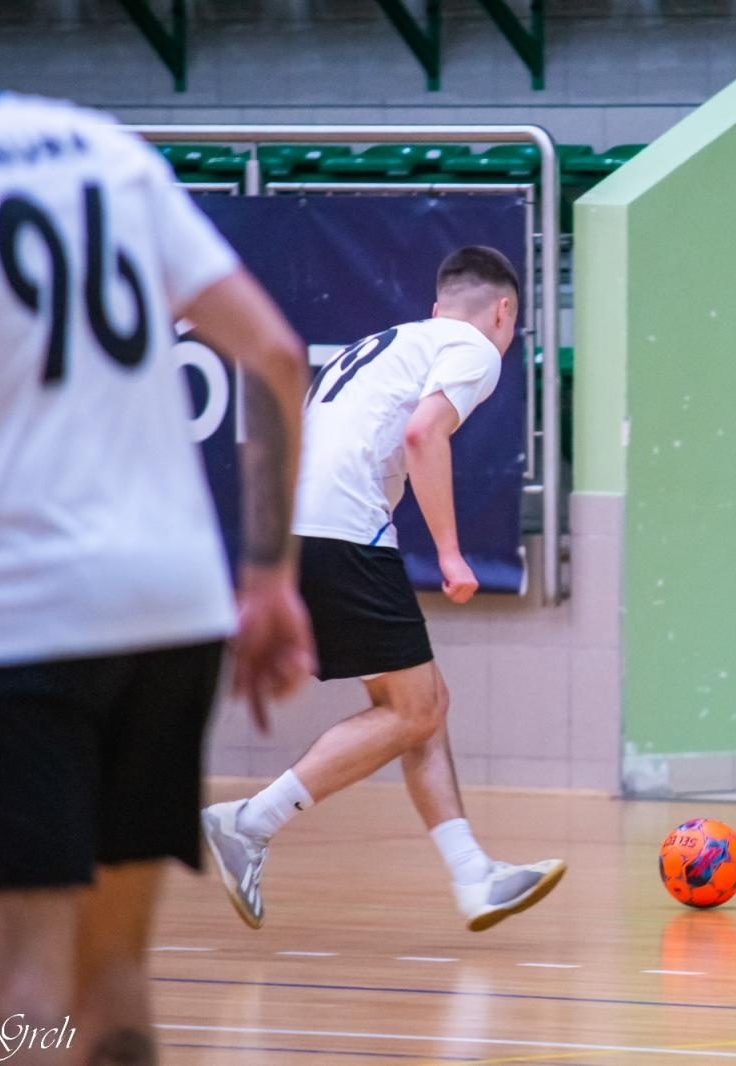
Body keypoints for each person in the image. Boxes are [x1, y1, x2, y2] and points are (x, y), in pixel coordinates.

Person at [0, 1, 316, 1062]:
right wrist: (270, 576)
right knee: (114, 991)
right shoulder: (108, 150)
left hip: (19, 618)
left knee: (19, 1014)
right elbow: (277, 357)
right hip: (170, 610)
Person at [201, 246, 566, 934]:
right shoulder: (473, 346)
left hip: (293, 528)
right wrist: (454, 554)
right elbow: (424, 433)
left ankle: (472, 877)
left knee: (420, 705)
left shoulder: (385, 342)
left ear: (436, 307)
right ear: (504, 311)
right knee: (414, 709)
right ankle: (249, 822)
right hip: (341, 527)